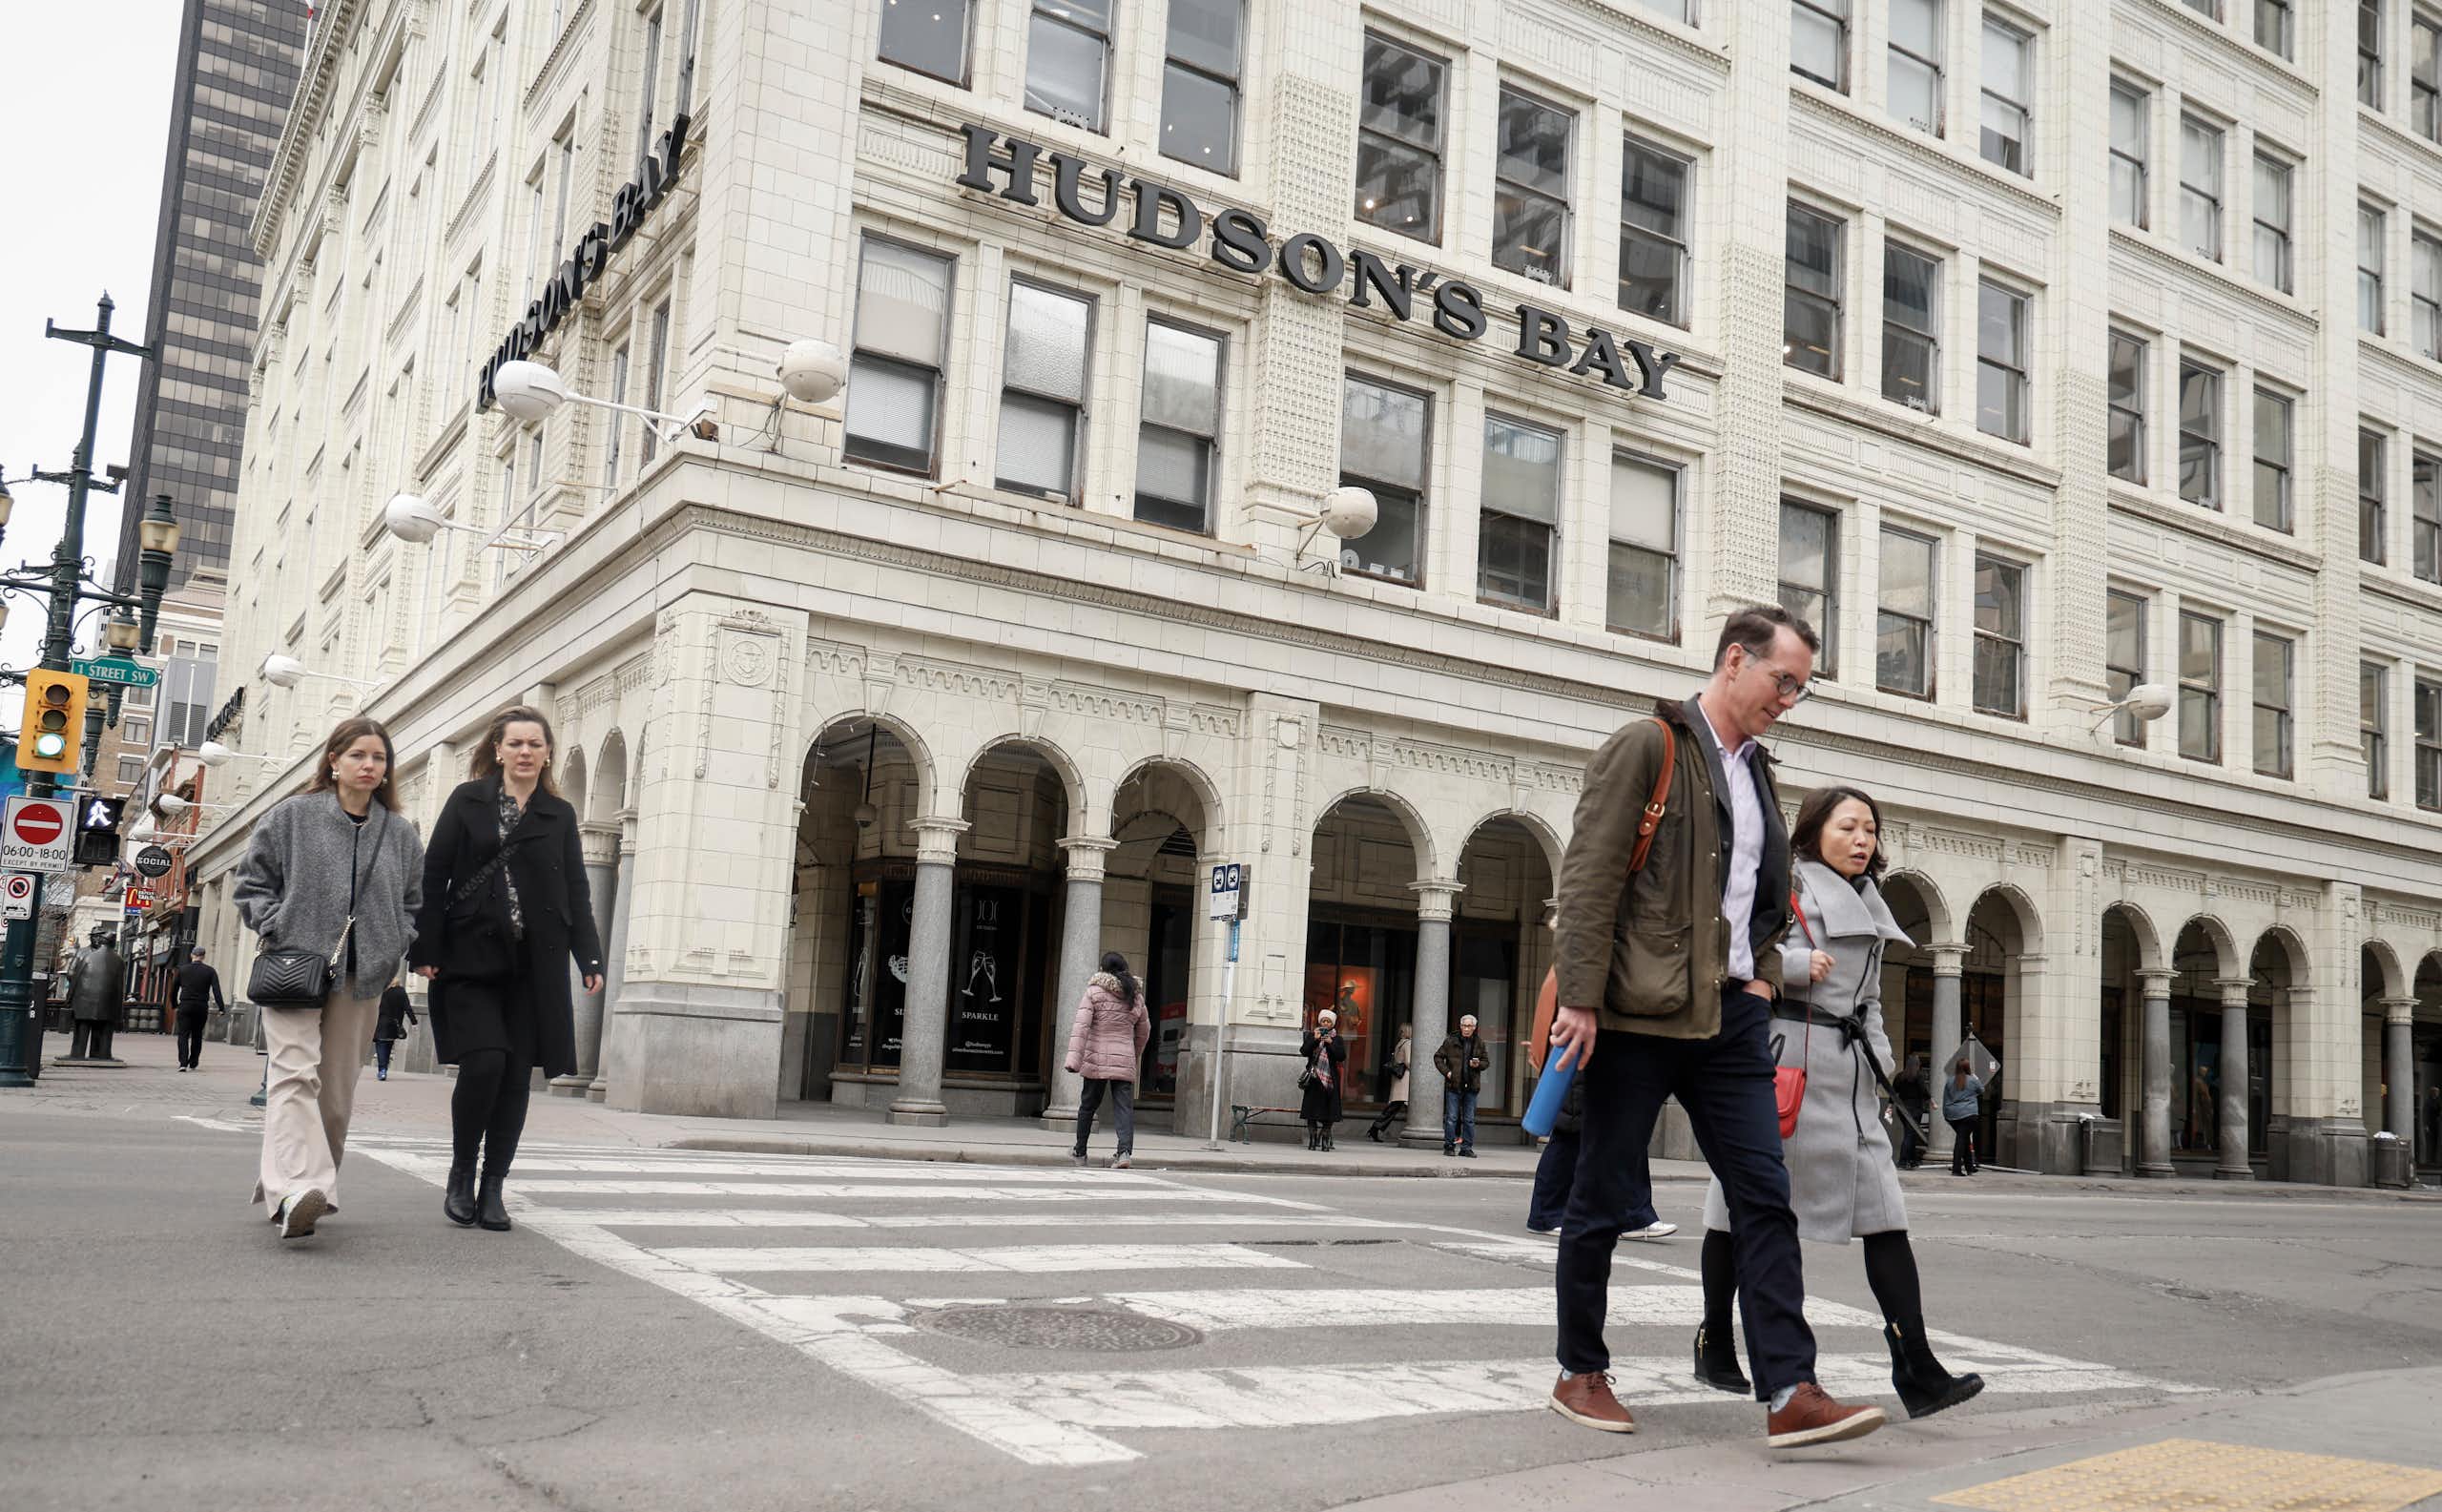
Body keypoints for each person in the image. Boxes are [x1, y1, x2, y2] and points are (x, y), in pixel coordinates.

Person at [1545, 604, 1884, 1449]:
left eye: (1801, 689)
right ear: (1736, 660)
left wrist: (1763, 978)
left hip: (1732, 1017)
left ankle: (1790, 1387)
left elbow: (1762, 902)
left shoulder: (1762, 773)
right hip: (1637, 1013)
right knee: (1600, 1197)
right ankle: (1579, 1369)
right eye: (1783, 681)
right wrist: (1580, 998)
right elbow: (1587, 880)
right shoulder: (1648, 747)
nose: (1789, 699)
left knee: (1765, 1196)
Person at [1693, 786, 1984, 1419]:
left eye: (1871, 830)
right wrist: (1795, 966)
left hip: (1849, 1078)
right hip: (1781, 1064)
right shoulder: (1783, 882)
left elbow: (1870, 1002)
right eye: (1848, 826)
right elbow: (1728, 952)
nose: (1862, 839)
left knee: (1886, 1216)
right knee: (1739, 1206)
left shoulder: (1872, 906)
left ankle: (1917, 1364)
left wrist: (1881, 1071)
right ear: (1813, 830)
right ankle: (1715, 1333)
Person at [410, 707, 604, 1233]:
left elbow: (576, 890)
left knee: (517, 1076)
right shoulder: (467, 801)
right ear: (497, 750)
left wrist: (589, 956)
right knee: (486, 1063)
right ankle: (460, 1173)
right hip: (470, 956)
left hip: (533, 964)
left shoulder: (558, 814)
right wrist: (425, 946)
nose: (524, 752)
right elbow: (435, 875)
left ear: (546, 754)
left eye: (534, 745)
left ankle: (494, 1186)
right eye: (515, 743)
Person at [233, 716, 425, 1239]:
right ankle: (297, 1187)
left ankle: (301, 1187)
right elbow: (251, 883)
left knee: (335, 1096)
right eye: (358, 755)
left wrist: (396, 941)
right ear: (333, 761)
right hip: (295, 967)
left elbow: (413, 901)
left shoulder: (401, 833)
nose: (369, 765)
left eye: (379, 758)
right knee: (294, 1075)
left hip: (363, 978)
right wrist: (277, 925)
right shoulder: (294, 816)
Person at [1528, 1076, 1677, 1241]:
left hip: (1615, 1064)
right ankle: (1545, 1215)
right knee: (1571, 1132)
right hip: (1586, 1061)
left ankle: (1633, 1217)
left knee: (1628, 1132)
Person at [1065, 951, 1149, 1169]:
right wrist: (1133, 1054)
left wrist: (1074, 1060)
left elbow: (1080, 1028)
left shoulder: (1094, 992)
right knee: (1123, 1108)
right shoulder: (1135, 995)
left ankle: (1080, 1152)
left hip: (1096, 1059)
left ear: (1103, 969)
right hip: (1124, 1059)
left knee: (1088, 1106)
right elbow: (1144, 1031)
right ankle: (1124, 1154)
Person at [64, 928, 127, 1062]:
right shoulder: (118, 959)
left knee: (87, 1027)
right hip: (104, 1001)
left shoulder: (86, 956)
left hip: (85, 999)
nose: (97, 939)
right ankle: (98, 1053)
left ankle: (82, 1054)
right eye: (95, 936)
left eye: (99, 937)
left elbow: (72, 975)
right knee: (94, 1028)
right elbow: (120, 985)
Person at [1436, 1014, 1490, 1157]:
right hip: (1454, 1084)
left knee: (1469, 1119)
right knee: (1452, 1117)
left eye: (1469, 1026)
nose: (1466, 1029)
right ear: (1460, 1026)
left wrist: (1478, 1064)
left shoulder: (1479, 1042)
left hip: (1472, 1085)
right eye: (1464, 1026)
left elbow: (1486, 1062)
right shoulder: (1451, 1041)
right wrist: (1447, 1073)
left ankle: (1466, 1148)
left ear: (1474, 1028)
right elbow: (1438, 1057)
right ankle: (1449, 1146)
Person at [172, 946, 226, 1071]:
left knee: (183, 1035)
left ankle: (183, 1063)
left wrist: (174, 1004)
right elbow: (216, 990)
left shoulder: (182, 970)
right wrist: (221, 1007)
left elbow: (174, 989)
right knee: (197, 1035)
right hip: (201, 1006)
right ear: (204, 956)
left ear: (192, 955)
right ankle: (194, 1062)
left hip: (185, 1005)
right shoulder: (210, 971)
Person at [1300, 1008, 1347, 1150]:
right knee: (1311, 1111)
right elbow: (1304, 1051)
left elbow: (1341, 1056)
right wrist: (1315, 1039)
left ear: (1332, 1024)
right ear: (1320, 1022)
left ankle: (1325, 1138)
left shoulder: (1337, 1038)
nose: (1325, 1024)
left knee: (1330, 1112)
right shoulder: (1312, 1035)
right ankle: (1313, 1139)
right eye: (1323, 1021)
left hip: (1330, 1081)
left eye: (1328, 1022)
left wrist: (1330, 1042)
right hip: (1314, 1079)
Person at [1366, 1023, 1412, 1142]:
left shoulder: (1399, 1044)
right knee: (1394, 1108)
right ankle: (1375, 1128)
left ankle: (1375, 1128)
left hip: (1399, 1080)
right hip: (1405, 1080)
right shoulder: (1408, 1043)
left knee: (1393, 1108)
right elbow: (1408, 1061)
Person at [372, 973, 416, 1081]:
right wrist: (414, 1022)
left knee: (381, 1045)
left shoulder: (381, 991)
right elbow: (407, 1007)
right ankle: (384, 1069)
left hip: (380, 1023)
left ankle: (382, 1070)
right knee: (388, 1047)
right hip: (394, 1025)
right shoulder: (400, 991)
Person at [1945, 1058, 1985, 1176]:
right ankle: (1956, 1169)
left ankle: (1969, 1167)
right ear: (1968, 1068)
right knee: (1962, 1140)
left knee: (1964, 1138)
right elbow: (1982, 1090)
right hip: (1969, 1114)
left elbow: (1945, 1099)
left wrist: (1946, 1115)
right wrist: (1977, 1079)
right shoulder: (1973, 1080)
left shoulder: (1950, 1081)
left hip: (1953, 1115)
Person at [1892, 1053, 1930, 1170]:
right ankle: (1903, 1161)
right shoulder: (1918, 1076)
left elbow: (1893, 1092)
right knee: (1910, 1134)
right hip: (1915, 1109)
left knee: (1911, 1133)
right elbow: (1924, 1091)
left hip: (1902, 1109)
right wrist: (1930, 1099)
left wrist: (1889, 1106)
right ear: (1917, 1064)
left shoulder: (1900, 1076)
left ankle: (1912, 1160)